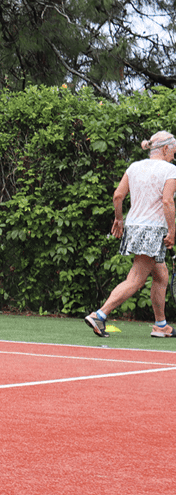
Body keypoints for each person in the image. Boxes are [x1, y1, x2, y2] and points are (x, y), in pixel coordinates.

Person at [84, 131, 176, 339]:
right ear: (164, 149)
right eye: (173, 152)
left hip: (134, 228)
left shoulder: (134, 167)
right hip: (152, 230)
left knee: (161, 275)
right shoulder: (170, 170)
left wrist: (119, 219)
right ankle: (100, 314)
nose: (173, 156)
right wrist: (172, 231)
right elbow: (167, 202)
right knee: (136, 278)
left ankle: (160, 325)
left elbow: (118, 195)